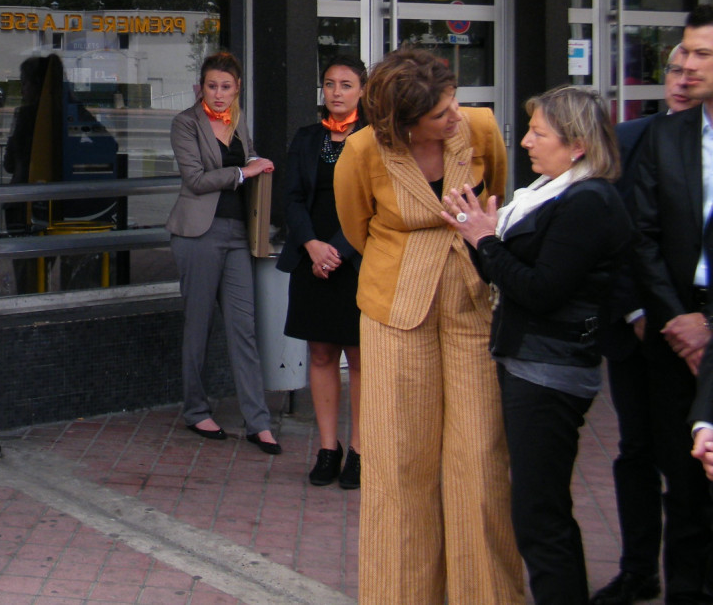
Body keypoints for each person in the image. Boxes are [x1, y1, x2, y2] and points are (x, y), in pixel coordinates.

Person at [334, 47, 523, 604]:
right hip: (395, 311)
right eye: (440, 114)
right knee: (398, 465)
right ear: (403, 122)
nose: (455, 117)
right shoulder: (362, 150)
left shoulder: (481, 127)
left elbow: (498, 198)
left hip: (471, 302)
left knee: (481, 460)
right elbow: (355, 226)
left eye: (454, 103)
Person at [443, 85, 632, 605]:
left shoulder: (588, 200)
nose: (525, 141)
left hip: (551, 373)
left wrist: (485, 239)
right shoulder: (551, 191)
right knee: (538, 508)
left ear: (576, 146)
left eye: (539, 133)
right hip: (531, 364)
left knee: (538, 515)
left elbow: (541, 290)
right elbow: (512, 272)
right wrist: (476, 234)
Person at [591, 46, 691, 605]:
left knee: (688, 461)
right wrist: (634, 312)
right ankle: (637, 570)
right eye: (673, 69)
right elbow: (619, 238)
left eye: (693, 68)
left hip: (696, 333)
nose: (680, 80)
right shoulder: (629, 141)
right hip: (635, 334)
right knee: (636, 453)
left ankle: (687, 577)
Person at [629, 4, 713, 605]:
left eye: (702, 53)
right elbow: (642, 235)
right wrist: (679, 320)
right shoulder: (667, 136)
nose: (684, 63)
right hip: (675, 329)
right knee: (681, 483)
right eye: (683, 51)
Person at [166, 50, 280, 451]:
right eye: (212, 86)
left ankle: (257, 421)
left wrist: (254, 161)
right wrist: (243, 171)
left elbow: (245, 157)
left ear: (237, 89)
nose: (218, 94)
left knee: (243, 329)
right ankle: (196, 412)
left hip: (236, 233)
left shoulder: (238, 119)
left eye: (226, 87)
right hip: (197, 233)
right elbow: (195, 180)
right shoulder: (185, 123)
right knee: (198, 328)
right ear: (201, 87)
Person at [278, 54, 367, 488]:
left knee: (359, 357)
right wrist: (313, 246)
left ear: (362, 91)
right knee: (320, 353)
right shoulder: (308, 137)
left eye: (346, 84)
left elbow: (377, 206)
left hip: (356, 261)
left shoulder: (375, 139)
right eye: (330, 83)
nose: (336, 91)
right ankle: (328, 448)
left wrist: (337, 250)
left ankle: (360, 451)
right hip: (312, 261)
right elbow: (292, 198)